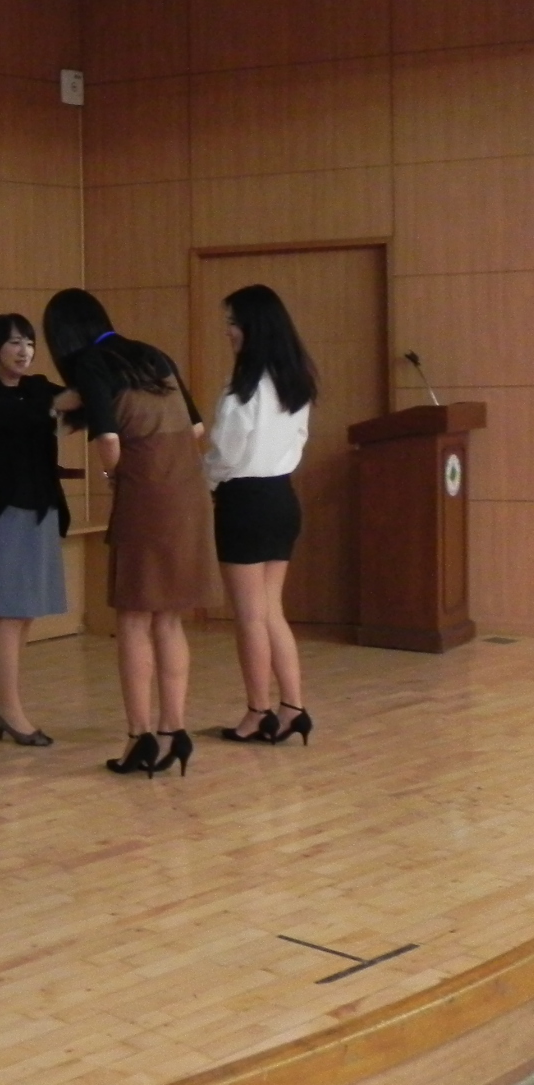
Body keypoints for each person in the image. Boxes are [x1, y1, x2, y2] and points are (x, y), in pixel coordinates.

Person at [43, 289, 212, 779]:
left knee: (134, 619)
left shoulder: (92, 363)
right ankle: (173, 731)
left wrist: (113, 474)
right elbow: (197, 430)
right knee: (169, 620)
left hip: (146, 495)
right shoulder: (152, 355)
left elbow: (111, 444)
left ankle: (139, 736)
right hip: (190, 492)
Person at [207, 284, 317, 747]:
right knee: (271, 610)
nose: (228, 331)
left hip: (245, 502)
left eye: (233, 322)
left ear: (253, 327)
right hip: (282, 498)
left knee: (250, 616)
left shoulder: (243, 391)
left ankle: (257, 711)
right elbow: (299, 440)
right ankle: (293, 707)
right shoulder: (295, 383)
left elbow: (224, 455)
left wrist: (206, 482)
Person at [0, 314, 68, 747]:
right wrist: (57, 403)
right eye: (14, 343)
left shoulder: (38, 388)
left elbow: (75, 401)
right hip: (0, 511)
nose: (24, 352)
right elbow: (20, 417)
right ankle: (10, 708)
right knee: (9, 611)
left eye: (30, 343)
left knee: (27, 610)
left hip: (41, 507)